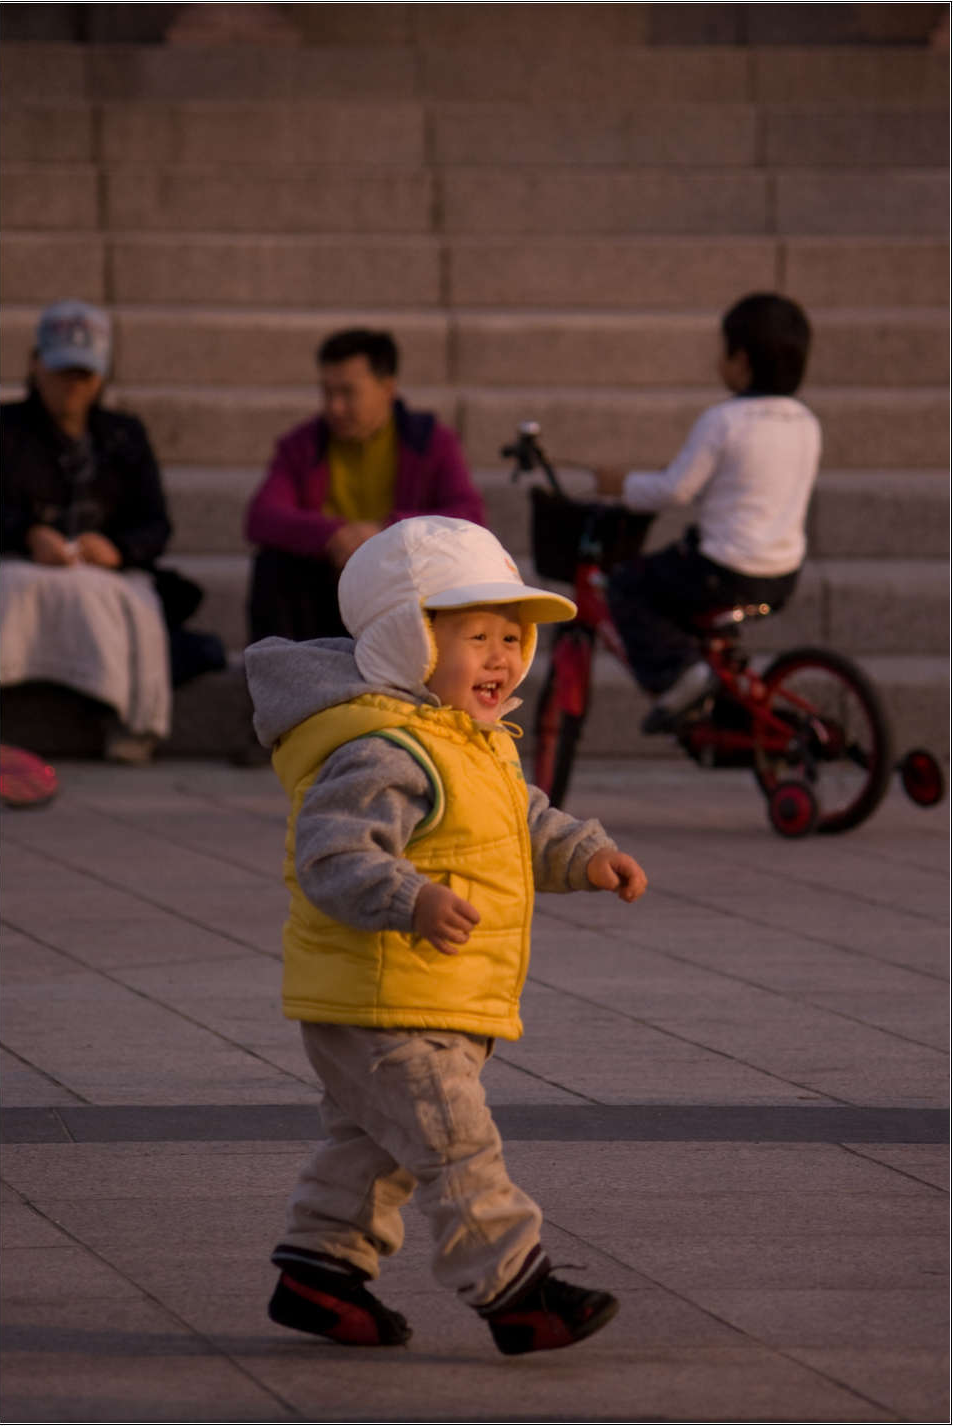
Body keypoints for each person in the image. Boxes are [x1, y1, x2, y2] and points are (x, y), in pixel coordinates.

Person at [244, 515, 648, 1356]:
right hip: (385, 998)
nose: (502, 656)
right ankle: (516, 1290)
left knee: (380, 1145)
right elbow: (334, 852)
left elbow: (523, 820)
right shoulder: (384, 749)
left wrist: (589, 854)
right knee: (457, 1143)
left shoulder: (472, 742)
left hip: (428, 993)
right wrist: (411, 898)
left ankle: (318, 1272)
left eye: (513, 636)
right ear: (409, 645)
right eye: (476, 635)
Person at [0, 300, 225, 763]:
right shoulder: (8, 429)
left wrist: (117, 550)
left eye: (83, 374)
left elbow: (155, 525)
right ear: (35, 364)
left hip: (105, 576)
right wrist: (27, 535)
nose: (72, 386)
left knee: (127, 604)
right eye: (62, 371)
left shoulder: (124, 435)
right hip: (23, 568)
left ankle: (132, 721)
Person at [595, 292, 822, 734]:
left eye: (724, 350)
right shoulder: (806, 422)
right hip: (781, 574)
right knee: (684, 574)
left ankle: (681, 677)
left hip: (723, 570)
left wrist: (618, 485)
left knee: (625, 586)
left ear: (742, 360)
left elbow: (675, 490)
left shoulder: (724, 421)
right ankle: (718, 683)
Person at [244, 328, 486, 643]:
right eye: (328, 393)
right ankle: (283, 679)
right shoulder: (303, 444)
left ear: (387, 389)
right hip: (327, 581)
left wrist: (386, 534)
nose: (335, 407)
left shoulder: (431, 443)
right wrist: (332, 535)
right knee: (273, 565)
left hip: (403, 587)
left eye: (347, 392)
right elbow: (262, 516)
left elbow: (469, 516)